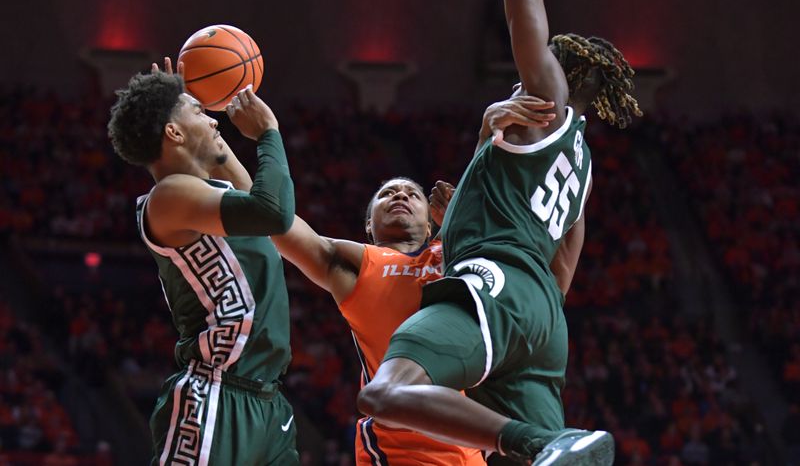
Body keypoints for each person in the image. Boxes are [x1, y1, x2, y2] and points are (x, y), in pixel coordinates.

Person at [356, 0, 641, 466]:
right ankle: (544, 443)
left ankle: (539, 439)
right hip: (543, 322)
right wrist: (468, 209)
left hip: (499, 285)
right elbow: (559, 276)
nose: (522, 76)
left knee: (384, 394)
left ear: (561, 72)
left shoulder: (545, 104)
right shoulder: (582, 167)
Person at [272, 98, 556, 465]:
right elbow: (274, 219)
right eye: (387, 193)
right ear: (369, 225)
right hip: (399, 451)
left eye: (412, 193)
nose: (401, 195)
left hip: (470, 450)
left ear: (430, 223)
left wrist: (488, 135)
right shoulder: (356, 266)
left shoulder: (456, 251)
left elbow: (500, 215)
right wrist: (252, 142)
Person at [107, 58, 299, 465]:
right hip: (215, 394)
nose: (215, 121)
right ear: (173, 132)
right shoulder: (169, 196)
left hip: (268, 400)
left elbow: (266, 208)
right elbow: (274, 211)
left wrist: (200, 98)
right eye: (201, 112)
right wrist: (267, 133)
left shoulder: (215, 194)